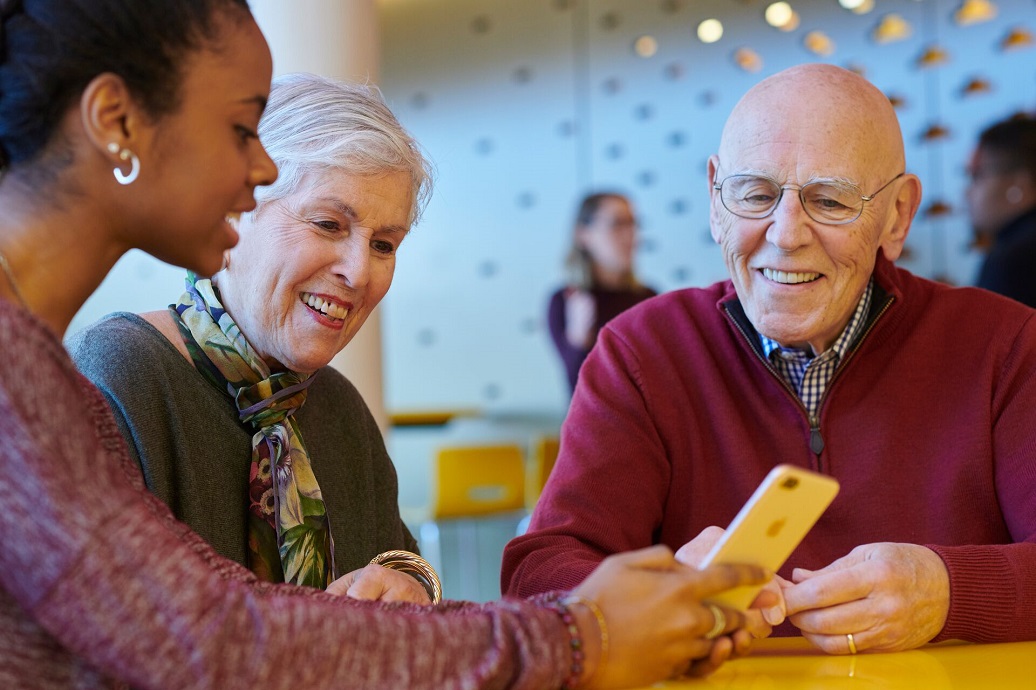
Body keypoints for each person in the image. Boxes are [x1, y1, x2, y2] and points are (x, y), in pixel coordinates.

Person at [0, 1, 772, 687]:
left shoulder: (42, 367)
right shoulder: (70, 371)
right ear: (115, 120)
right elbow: (207, 635)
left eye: (386, 242)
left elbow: (211, 604)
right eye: (240, 130)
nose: (259, 165)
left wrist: (414, 584)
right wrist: (580, 635)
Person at [503, 63, 1036, 656]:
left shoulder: (1005, 344)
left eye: (830, 200)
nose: (784, 234)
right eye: (755, 194)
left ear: (898, 216)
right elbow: (537, 574)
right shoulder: (642, 351)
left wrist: (949, 590)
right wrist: (656, 591)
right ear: (714, 199)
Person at [68, 73, 433, 603]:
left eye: (384, 244)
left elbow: (400, 556)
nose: (359, 271)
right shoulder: (120, 373)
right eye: (329, 224)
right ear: (233, 212)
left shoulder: (336, 404)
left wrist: (415, 585)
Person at [548, 193, 657, 392]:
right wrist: (578, 338)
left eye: (633, 224)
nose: (631, 235)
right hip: (592, 422)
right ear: (584, 235)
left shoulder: (649, 297)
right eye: (617, 224)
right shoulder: (565, 301)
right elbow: (576, 386)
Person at [968, 113, 1036, 308]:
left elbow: (985, 336)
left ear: (1019, 187)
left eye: (977, 176)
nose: (967, 191)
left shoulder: (1013, 261)